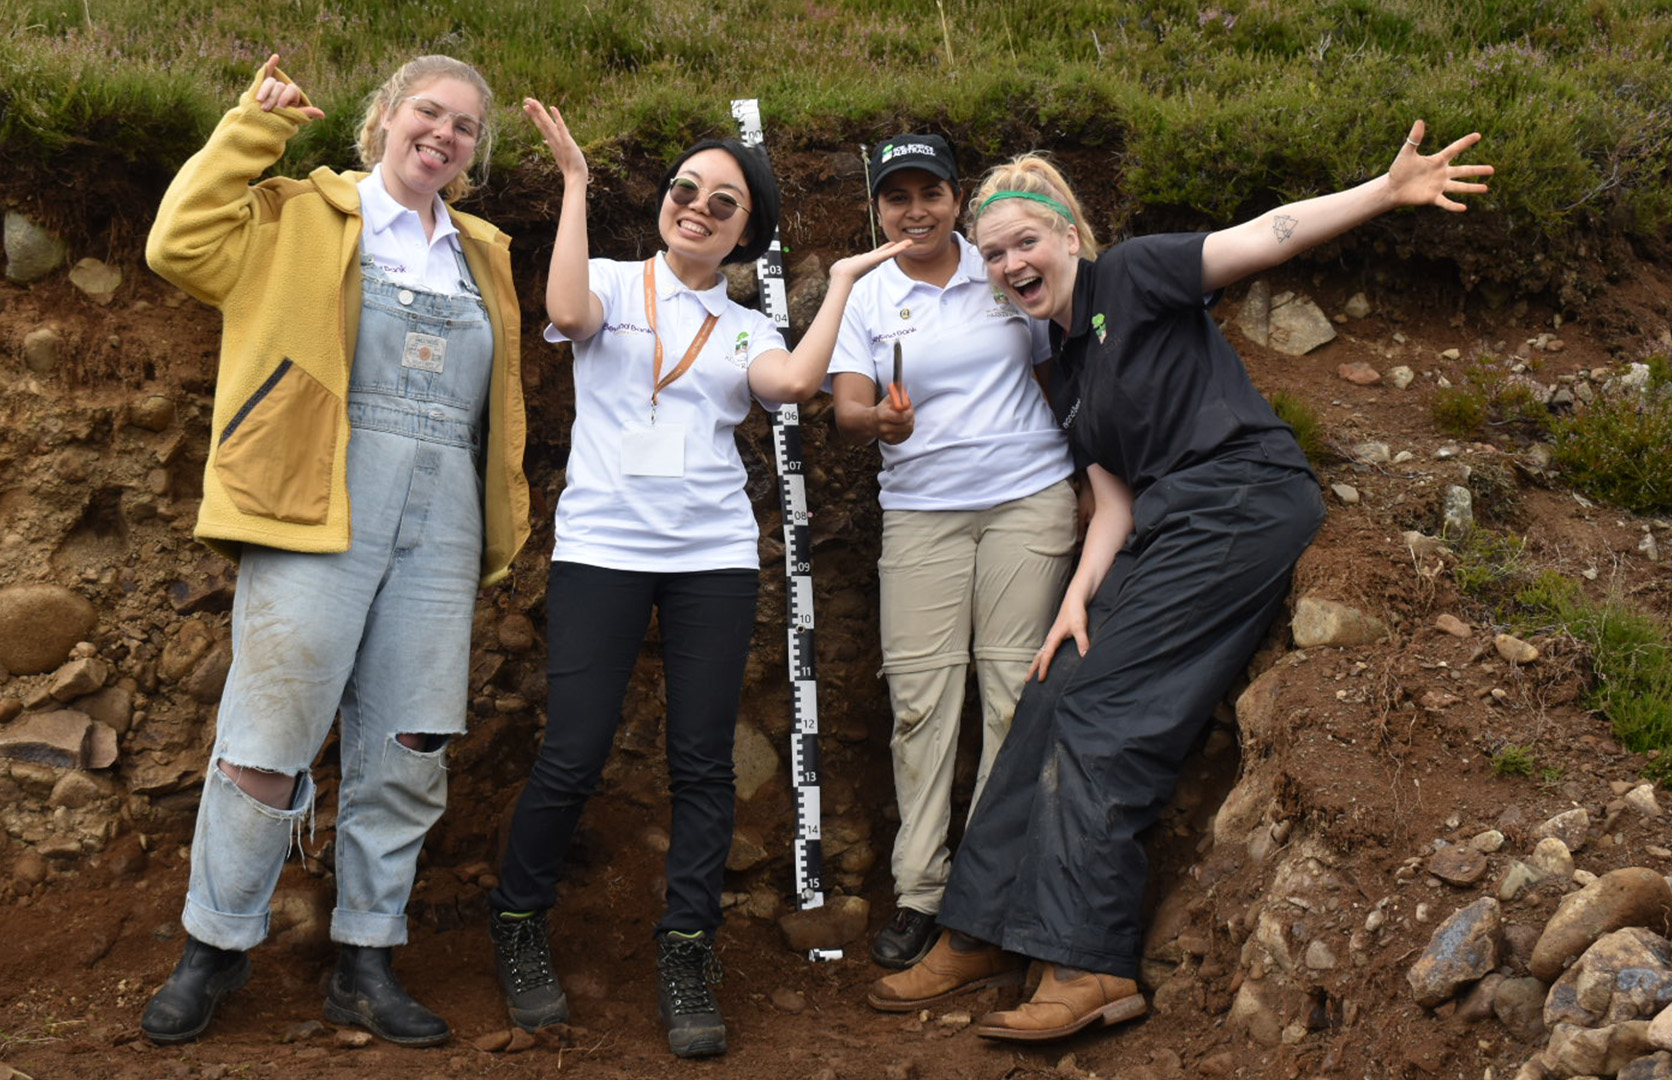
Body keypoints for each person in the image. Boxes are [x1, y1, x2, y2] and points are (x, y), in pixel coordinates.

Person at [868, 122, 1491, 1041]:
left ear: (1069, 238)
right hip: (1163, 522)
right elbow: (1111, 503)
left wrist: (1382, 191)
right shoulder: (1069, 363)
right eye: (994, 254)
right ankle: (983, 928)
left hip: (1242, 500)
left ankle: (1089, 964)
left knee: (1104, 715)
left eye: (1026, 243)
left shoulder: (1135, 273)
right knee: (1048, 694)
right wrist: (1077, 597)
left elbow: (1266, 233)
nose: (1010, 264)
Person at [485, 99, 906, 1059]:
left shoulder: (746, 325)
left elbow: (795, 386)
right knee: (574, 752)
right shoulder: (604, 282)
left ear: (746, 230)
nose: (699, 209)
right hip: (601, 549)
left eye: (725, 203)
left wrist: (838, 282)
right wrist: (578, 185)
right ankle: (518, 923)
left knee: (703, 764)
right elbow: (561, 314)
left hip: (711, 559)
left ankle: (686, 950)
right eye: (686, 191)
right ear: (665, 202)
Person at [137, 53, 529, 1047]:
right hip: (315, 495)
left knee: (409, 746)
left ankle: (366, 958)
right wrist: (250, 130)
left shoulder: (484, 250)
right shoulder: (298, 215)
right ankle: (213, 951)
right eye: (427, 113)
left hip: (443, 517)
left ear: (475, 151)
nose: (442, 135)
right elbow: (176, 246)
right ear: (384, 117)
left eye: (465, 127)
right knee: (267, 740)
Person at [828, 134, 1077, 970]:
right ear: (877, 208)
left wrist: (1090, 474)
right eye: (896, 198)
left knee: (1011, 692)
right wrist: (880, 423)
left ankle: (988, 890)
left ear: (957, 196)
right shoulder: (867, 294)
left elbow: (1055, 372)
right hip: (922, 511)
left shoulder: (1004, 269)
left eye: (929, 192)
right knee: (921, 703)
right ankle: (920, 892)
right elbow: (847, 409)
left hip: (1028, 498)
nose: (915, 212)